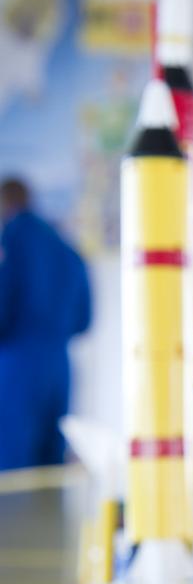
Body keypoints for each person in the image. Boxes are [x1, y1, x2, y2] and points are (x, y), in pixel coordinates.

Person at [0, 178, 91, 469]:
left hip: (17, 366)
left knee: (13, 468)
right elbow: (84, 319)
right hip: (59, 367)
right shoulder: (66, 246)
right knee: (50, 468)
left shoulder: (11, 238)